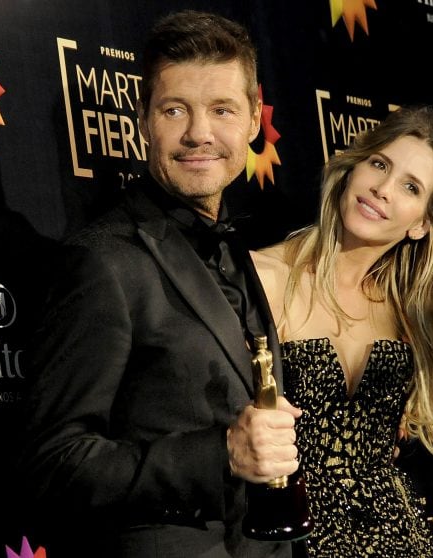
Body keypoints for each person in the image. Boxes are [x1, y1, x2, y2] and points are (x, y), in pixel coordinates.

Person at [16, 9, 299, 557]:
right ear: (144, 120)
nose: (199, 133)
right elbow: (52, 465)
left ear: (252, 121)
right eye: (175, 110)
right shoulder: (101, 261)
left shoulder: (240, 249)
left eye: (222, 110)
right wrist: (220, 455)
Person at [248, 106, 433, 556]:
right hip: (295, 539)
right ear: (354, 168)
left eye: (411, 187)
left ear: (422, 223)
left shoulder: (411, 304)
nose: (383, 190)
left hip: (396, 534)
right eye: (379, 164)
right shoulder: (265, 275)